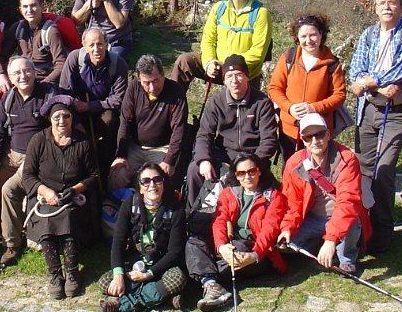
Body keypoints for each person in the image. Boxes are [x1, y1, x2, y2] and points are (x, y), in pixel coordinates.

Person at [349, 0, 402, 254]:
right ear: (374, 7)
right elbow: (355, 69)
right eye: (382, 3)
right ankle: (363, 227)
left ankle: (383, 232)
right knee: (363, 171)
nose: (387, 7)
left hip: (396, 113)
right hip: (368, 109)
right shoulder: (369, 34)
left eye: (392, 2)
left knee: (383, 170)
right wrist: (376, 86)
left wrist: (367, 82)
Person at [0, 56, 56, 266]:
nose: (23, 76)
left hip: (37, 157)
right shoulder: (8, 98)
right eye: (17, 73)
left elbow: (56, 132)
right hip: (11, 155)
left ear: (34, 72)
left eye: (27, 70)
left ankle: (11, 245)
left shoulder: (48, 95)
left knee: (8, 189)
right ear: (10, 78)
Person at [185, 154, 286, 312]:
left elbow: (270, 230)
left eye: (251, 171)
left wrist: (255, 255)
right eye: (241, 173)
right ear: (236, 175)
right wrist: (221, 246)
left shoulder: (273, 197)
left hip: (255, 252)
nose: (247, 177)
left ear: (259, 171)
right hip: (231, 244)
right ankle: (211, 284)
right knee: (194, 242)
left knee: (231, 252)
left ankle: (199, 279)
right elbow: (220, 221)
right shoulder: (229, 193)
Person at [22, 96, 99, 299]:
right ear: (50, 119)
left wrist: (75, 190)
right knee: (46, 222)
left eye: (66, 116)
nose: (62, 120)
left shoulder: (83, 142)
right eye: (57, 117)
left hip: (72, 196)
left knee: (69, 218)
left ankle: (72, 272)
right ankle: (55, 274)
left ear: (72, 118)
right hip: (45, 196)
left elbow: (93, 176)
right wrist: (46, 192)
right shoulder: (38, 140)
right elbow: (28, 176)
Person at [278, 113, 369, 275]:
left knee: (352, 221)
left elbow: (348, 203)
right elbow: (291, 203)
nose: (314, 141)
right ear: (302, 139)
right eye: (308, 137)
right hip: (313, 218)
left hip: (341, 216)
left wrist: (331, 239)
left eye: (319, 134)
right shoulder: (294, 163)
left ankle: (346, 259)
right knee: (285, 244)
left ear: (328, 134)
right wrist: (287, 228)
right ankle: (322, 247)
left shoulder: (347, 159)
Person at [187, 54, 278, 206]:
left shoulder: (262, 103)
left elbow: (269, 141)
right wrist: (204, 159)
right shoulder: (217, 102)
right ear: (224, 80)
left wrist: (249, 164)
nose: (234, 81)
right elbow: (204, 135)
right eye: (229, 76)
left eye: (239, 75)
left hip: (253, 159)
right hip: (223, 157)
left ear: (247, 77)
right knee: (194, 169)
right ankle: (192, 213)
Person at [98, 164, 186, 312]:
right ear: (140, 187)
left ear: (163, 183)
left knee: (177, 279)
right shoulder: (129, 205)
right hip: (135, 264)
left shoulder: (176, 210)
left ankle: (121, 304)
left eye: (157, 180)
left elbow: (174, 253)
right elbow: (118, 243)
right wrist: (118, 276)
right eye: (146, 181)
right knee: (105, 282)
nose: (152, 185)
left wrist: (148, 275)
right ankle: (163, 297)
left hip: (161, 267)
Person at [170, 0, 272, 88]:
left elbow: (258, 52)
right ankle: (172, 100)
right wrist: (209, 62)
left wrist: (229, 65)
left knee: (238, 98)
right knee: (184, 62)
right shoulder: (219, 8)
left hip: (243, 72)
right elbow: (208, 40)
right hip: (217, 67)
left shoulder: (261, 13)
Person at [267, 12, 347, 162]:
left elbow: (339, 95)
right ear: (297, 37)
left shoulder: (331, 63)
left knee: (318, 169)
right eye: (303, 36)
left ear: (321, 35)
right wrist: (289, 107)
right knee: (291, 168)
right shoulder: (288, 58)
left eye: (313, 35)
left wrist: (314, 108)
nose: (308, 40)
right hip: (289, 130)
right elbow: (275, 88)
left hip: (318, 132)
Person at [109, 54, 187, 191]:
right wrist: (121, 155)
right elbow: (125, 122)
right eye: (146, 83)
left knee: (157, 179)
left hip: (162, 149)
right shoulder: (133, 88)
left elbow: (179, 129)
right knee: (118, 173)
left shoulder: (176, 92)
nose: (152, 87)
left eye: (155, 81)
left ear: (163, 75)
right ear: (140, 79)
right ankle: (118, 203)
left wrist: (169, 160)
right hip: (135, 147)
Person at [59, 27, 127, 177]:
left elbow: (119, 99)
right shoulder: (74, 59)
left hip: (104, 111)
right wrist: (76, 120)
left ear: (106, 44)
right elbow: (64, 92)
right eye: (91, 45)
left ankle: (105, 170)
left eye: (100, 44)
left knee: (110, 120)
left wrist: (89, 106)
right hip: (77, 110)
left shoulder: (118, 64)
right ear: (84, 46)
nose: (96, 49)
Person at [10, 0, 69, 83]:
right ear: (20, 10)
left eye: (33, 5)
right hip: (22, 81)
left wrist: (44, 84)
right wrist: (0, 75)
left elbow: (61, 64)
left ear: (42, 7)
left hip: (46, 82)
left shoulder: (51, 31)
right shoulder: (17, 29)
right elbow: (1, 57)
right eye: (25, 6)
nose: (29, 10)